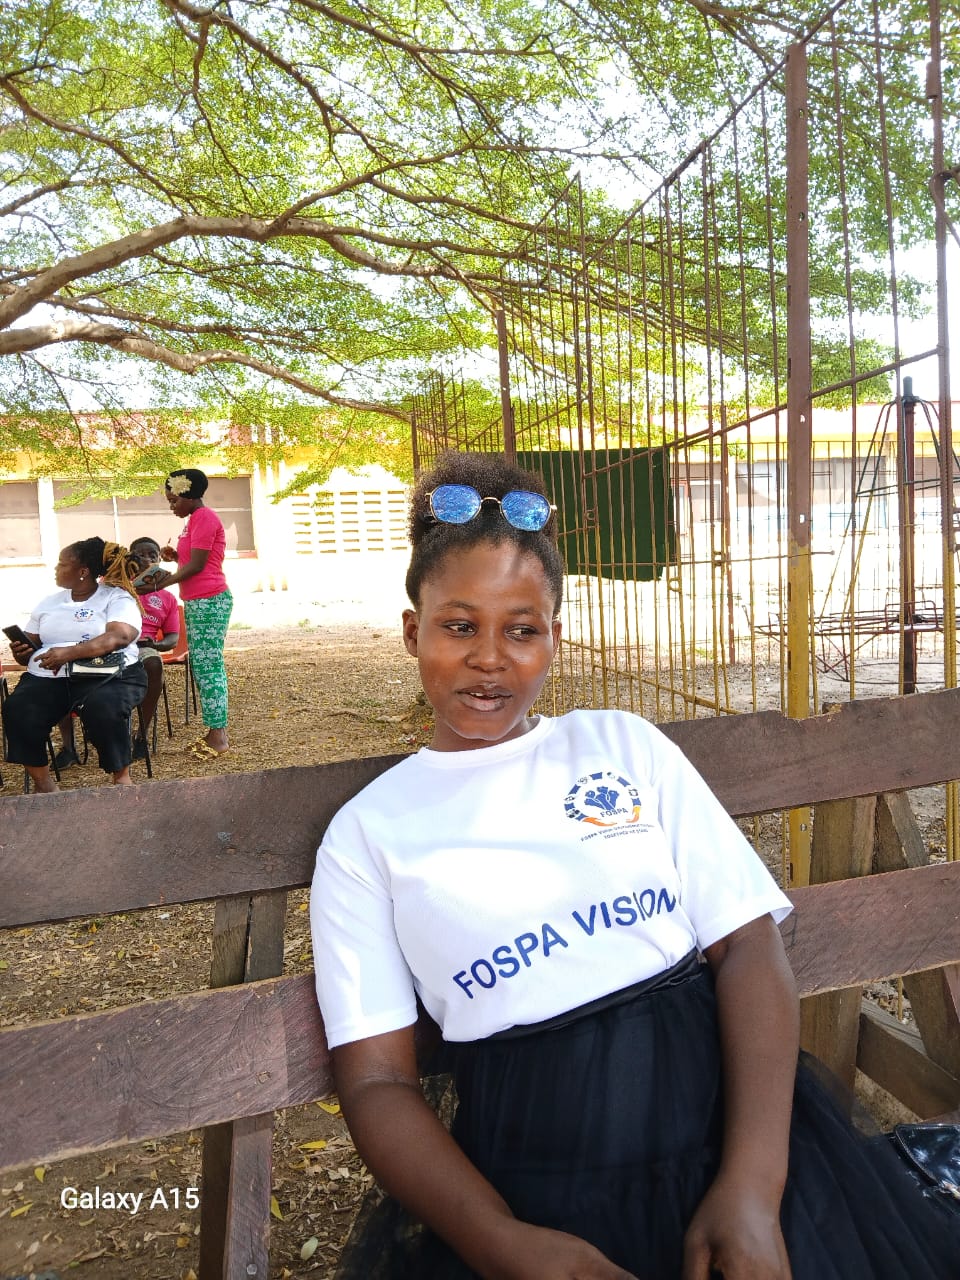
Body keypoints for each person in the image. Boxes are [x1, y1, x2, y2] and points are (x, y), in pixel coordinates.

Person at [310, 451, 960, 1280]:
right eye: (459, 626)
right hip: (535, 1196)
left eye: (522, 629)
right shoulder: (367, 836)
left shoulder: (621, 746)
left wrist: (753, 1186)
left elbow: (747, 945)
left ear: (554, 637)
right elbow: (377, 1084)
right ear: (414, 632)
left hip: (728, 1144)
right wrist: (501, 1242)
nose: (490, 657)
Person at [2, 538, 148, 792]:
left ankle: (121, 778)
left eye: (62, 564)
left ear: (83, 571)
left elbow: (119, 636)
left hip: (107, 675)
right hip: (51, 678)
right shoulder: (49, 602)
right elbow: (31, 648)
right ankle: (44, 784)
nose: (56, 569)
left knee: (104, 707)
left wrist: (69, 653)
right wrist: (22, 652)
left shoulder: (116, 598)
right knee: (19, 709)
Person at [151, 468, 232, 758]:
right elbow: (196, 559)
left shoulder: (205, 517)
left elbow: (198, 566)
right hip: (199, 601)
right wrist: (176, 557)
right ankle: (215, 730)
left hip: (210, 600)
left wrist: (161, 583)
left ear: (188, 495)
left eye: (174, 501)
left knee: (209, 666)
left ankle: (218, 736)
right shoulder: (194, 520)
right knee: (203, 664)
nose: (171, 506)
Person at [128, 536, 181, 758]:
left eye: (153, 555)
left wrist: (155, 644)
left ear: (159, 560)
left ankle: (142, 734)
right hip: (113, 643)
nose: (148, 559)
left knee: (153, 663)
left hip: (144, 646)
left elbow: (173, 638)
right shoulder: (116, 586)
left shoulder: (167, 597)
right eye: (140, 555)